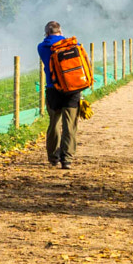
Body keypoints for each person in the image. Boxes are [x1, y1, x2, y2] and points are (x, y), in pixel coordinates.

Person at [37, 20, 79, 169]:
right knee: (70, 124)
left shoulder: (42, 47)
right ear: (60, 31)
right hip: (72, 88)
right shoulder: (73, 44)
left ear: (47, 33)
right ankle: (67, 159)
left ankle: (53, 157)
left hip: (53, 89)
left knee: (54, 122)